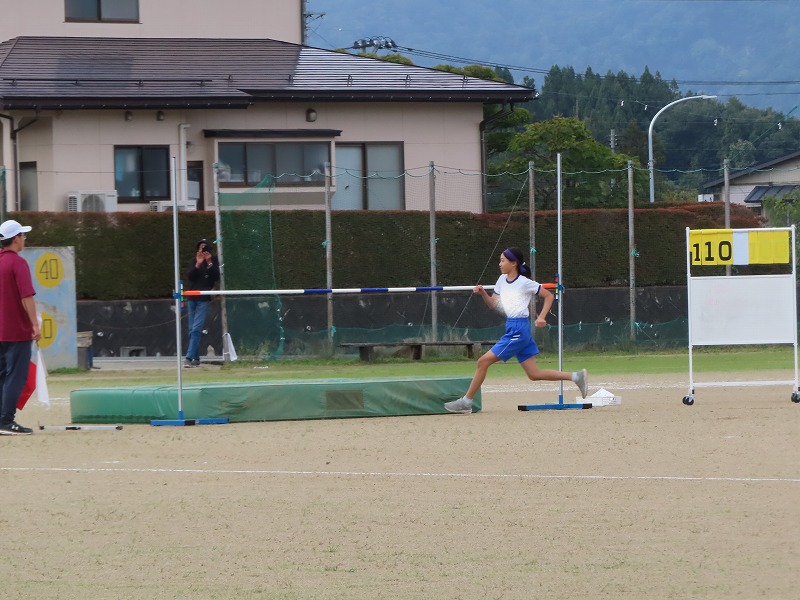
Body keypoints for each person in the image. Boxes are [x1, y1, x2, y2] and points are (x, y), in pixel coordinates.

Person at [444, 247, 588, 414]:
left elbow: (548, 296)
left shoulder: (524, 282)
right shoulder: (501, 279)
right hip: (513, 326)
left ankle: (466, 402)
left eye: (502, 260)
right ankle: (576, 376)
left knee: (482, 362)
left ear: (514, 263)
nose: (500, 264)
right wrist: (483, 293)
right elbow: (493, 304)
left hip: (519, 330)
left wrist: (541, 317)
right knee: (534, 374)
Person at [0, 219, 41, 434]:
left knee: (2, 376)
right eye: (23, 235)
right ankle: (6, 421)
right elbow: (26, 296)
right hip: (16, 330)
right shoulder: (18, 263)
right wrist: (34, 324)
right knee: (15, 376)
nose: (24, 239)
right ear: (16, 239)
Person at [184, 238, 220, 367]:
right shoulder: (194, 261)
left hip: (203, 299)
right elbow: (190, 277)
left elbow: (215, 277)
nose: (202, 249)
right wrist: (198, 264)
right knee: (191, 330)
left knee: (196, 329)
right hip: (192, 298)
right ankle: (196, 358)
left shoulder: (214, 260)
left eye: (205, 247)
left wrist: (209, 262)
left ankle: (188, 358)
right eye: (200, 247)